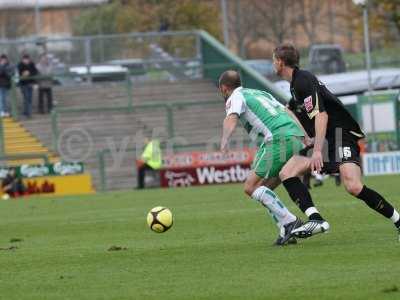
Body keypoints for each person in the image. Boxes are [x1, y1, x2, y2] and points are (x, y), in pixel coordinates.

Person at [272, 44, 400, 240]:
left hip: (341, 135)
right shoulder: (296, 84)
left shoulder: (302, 81)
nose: (273, 63)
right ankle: (316, 219)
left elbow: (321, 116)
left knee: (354, 186)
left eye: (274, 60)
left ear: (280, 62)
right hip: (328, 139)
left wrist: (316, 151)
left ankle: (398, 221)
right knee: (287, 172)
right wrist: (308, 137)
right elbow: (296, 112)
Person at [219, 70, 307, 245]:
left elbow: (231, 118)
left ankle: (290, 222)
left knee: (250, 187)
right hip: (293, 136)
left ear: (224, 88)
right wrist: (304, 135)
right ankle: (285, 230)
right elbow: (288, 111)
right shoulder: (260, 92)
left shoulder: (235, 97)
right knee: (264, 189)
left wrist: (224, 140)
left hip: (277, 138)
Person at [17, 54, 38, 118]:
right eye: (25, 59)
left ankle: (27, 112)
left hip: (30, 83)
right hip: (23, 84)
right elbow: (20, 73)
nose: (26, 61)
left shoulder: (32, 64)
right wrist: (25, 73)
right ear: (23, 60)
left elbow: (35, 72)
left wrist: (29, 73)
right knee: (26, 98)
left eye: (27, 59)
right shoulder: (20, 64)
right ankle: (27, 113)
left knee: (30, 99)